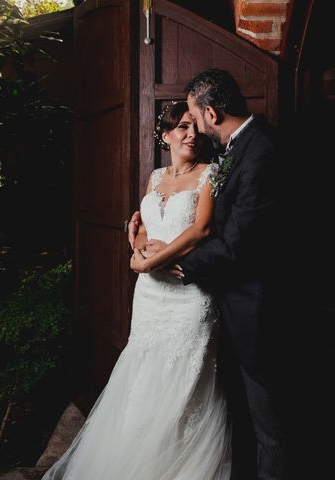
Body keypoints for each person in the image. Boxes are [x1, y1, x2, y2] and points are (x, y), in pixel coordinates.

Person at [42, 101, 231, 480]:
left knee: (185, 380)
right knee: (144, 374)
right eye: (181, 127)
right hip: (149, 296)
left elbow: (203, 231)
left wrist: (149, 262)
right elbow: (144, 224)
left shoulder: (210, 174)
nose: (191, 134)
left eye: (195, 127)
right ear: (165, 136)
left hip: (188, 294)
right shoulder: (155, 176)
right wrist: (139, 248)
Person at [128, 68, 284, 480]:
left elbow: (231, 240)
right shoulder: (238, 148)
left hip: (253, 308)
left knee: (271, 430)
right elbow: (202, 214)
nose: (192, 129)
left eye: (194, 118)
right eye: (181, 126)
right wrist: (144, 220)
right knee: (237, 416)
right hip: (218, 304)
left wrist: (168, 263)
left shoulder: (260, 152)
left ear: (210, 113)